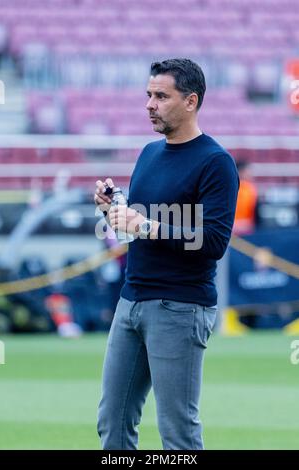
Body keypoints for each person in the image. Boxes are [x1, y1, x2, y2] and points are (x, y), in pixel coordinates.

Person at [94, 58, 239, 450]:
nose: (150, 105)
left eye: (161, 96)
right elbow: (142, 226)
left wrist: (143, 225)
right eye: (148, 95)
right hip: (131, 301)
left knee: (178, 434)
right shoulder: (148, 153)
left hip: (180, 307)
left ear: (190, 101)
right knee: (112, 423)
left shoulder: (216, 163)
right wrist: (113, 211)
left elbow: (213, 241)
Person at [233, 159, 258, 235]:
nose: (250, 173)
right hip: (233, 228)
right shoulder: (233, 187)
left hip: (247, 228)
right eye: (248, 170)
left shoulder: (251, 188)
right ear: (241, 171)